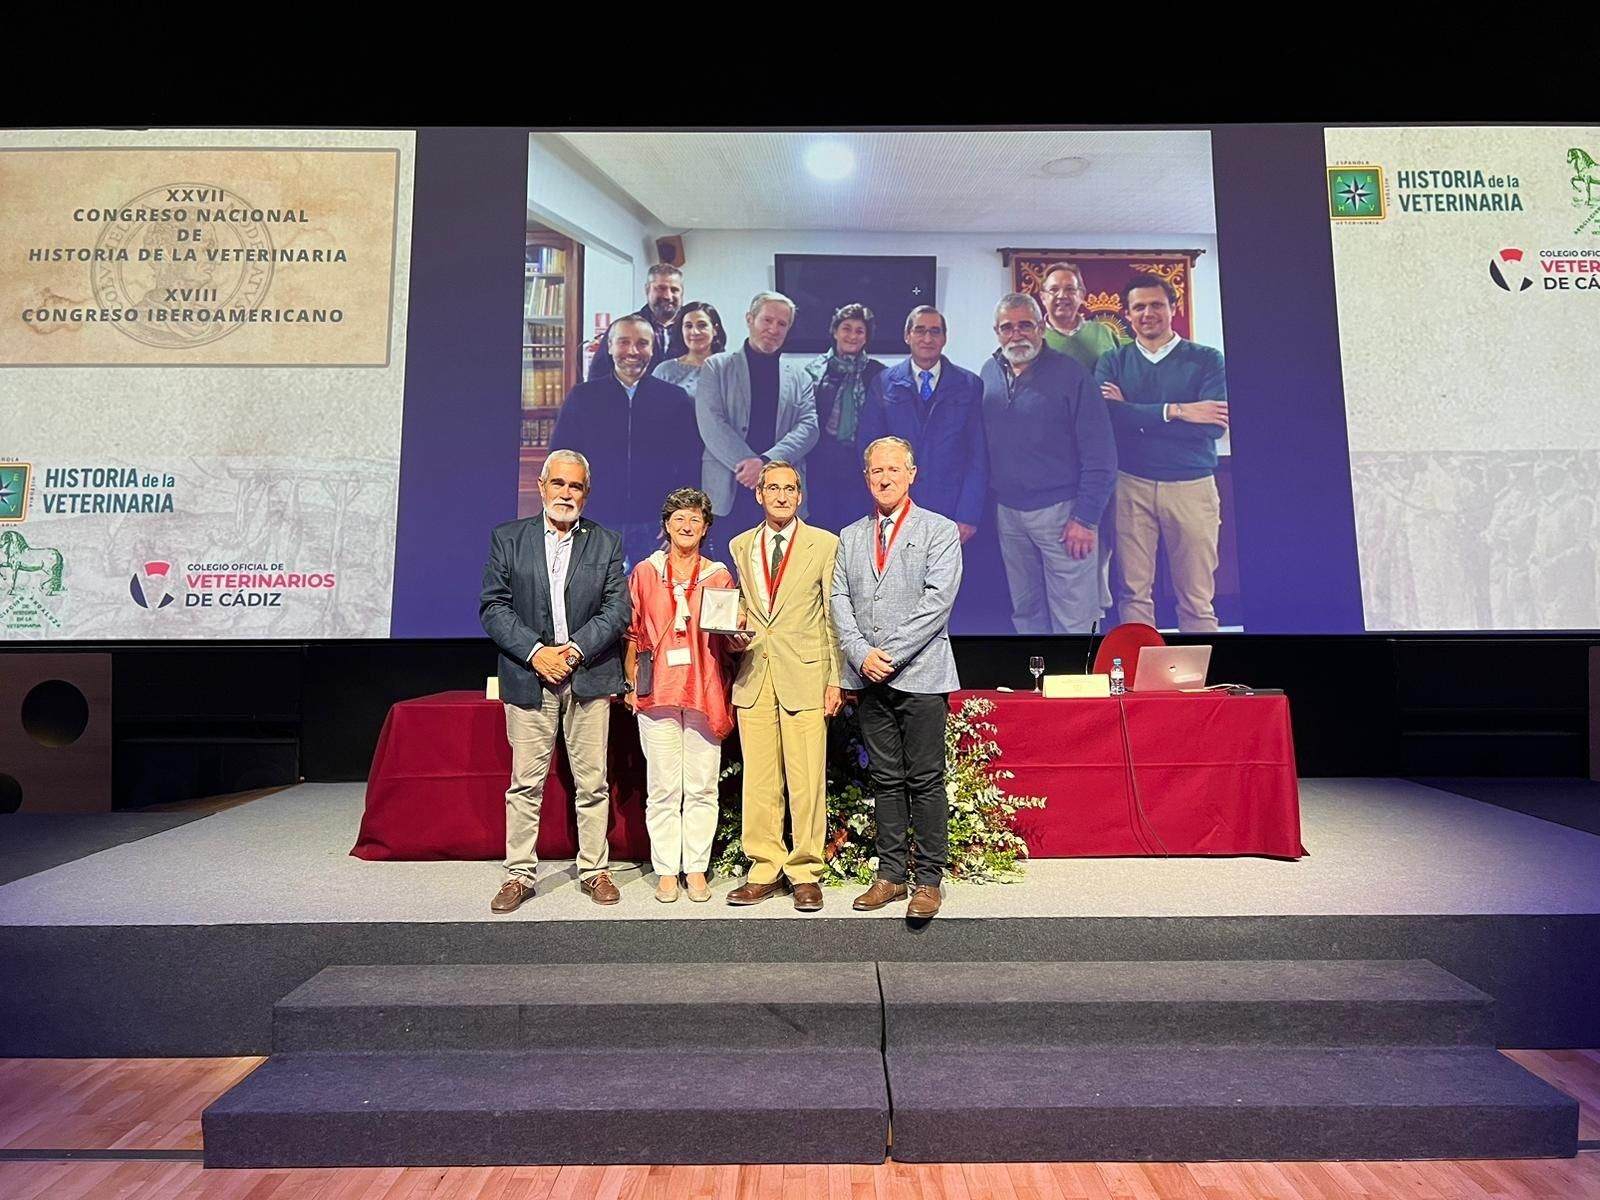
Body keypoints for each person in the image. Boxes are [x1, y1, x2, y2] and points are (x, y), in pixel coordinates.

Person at [479, 449, 631, 913]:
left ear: (587, 492)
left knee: (593, 784)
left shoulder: (606, 542)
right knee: (525, 784)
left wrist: (576, 649)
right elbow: (493, 607)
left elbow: (617, 610)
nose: (566, 493)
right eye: (559, 484)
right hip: (529, 676)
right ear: (541, 486)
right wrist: (536, 652)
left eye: (576, 486)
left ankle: (595, 870)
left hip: (588, 676)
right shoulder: (508, 538)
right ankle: (519, 874)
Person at [830, 437, 962, 919]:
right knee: (885, 779)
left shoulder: (939, 530)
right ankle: (889, 876)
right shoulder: (850, 535)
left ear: (911, 474)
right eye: (876, 471)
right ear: (866, 478)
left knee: (925, 779)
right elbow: (839, 600)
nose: (884, 478)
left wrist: (890, 654)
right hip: (869, 677)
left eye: (893, 469)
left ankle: (928, 880)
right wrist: (861, 654)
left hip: (922, 674)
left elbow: (937, 601)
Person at [723, 461, 844, 912]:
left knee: (807, 780)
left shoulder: (824, 544)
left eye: (789, 489)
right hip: (755, 675)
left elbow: (833, 615)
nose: (780, 496)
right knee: (759, 781)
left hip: (806, 675)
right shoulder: (740, 545)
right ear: (759, 495)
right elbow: (741, 610)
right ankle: (764, 868)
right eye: (772, 488)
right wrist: (731, 635)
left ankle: (805, 870)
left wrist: (835, 679)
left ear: (799, 495)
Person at [1095, 274, 1228, 632]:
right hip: (1131, 485)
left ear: (1173, 308)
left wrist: (1134, 411)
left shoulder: (1206, 360)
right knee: (1133, 592)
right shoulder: (1113, 361)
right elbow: (1108, 418)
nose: (1148, 313)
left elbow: (1213, 427)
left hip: (1192, 488)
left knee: (1197, 598)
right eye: (1139, 307)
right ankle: (1139, 668)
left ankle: (1200, 669)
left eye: (1156, 305)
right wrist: (1178, 410)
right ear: (1127, 314)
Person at [623, 487, 736, 904]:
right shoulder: (645, 572)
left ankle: (697, 868)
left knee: (703, 787)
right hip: (658, 692)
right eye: (679, 518)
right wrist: (631, 684)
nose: (687, 526)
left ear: (705, 528)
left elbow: (728, 639)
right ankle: (667, 870)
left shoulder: (719, 576)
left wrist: (739, 634)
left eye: (695, 520)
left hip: (704, 691)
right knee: (663, 788)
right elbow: (632, 633)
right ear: (666, 525)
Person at [980, 293, 1117, 634]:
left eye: (1025, 325)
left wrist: (1085, 518)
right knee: (1026, 612)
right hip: (1009, 514)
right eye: (1007, 327)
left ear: (1041, 327)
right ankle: (1037, 670)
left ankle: (1078, 672)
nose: (1016, 334)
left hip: (1063, 514)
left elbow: (1100, 453)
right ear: (997, 332)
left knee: (1075, 617)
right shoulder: (988, 372)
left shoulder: (1072, 375)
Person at [549, 315, 701, 568]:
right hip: (595, 520)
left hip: (655, 524)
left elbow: (690, 462)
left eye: (642, 343)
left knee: (655, 592)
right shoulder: (583, 397)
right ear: (609, 347)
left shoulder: (675, 399)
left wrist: (681, 514)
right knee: (593, 591)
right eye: (623, 342)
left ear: (653, 349)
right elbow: (562, 459)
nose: (632, 351)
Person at [695, 292, 819, 543]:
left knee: (779, 565)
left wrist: (766, 463)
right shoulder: (716, 367)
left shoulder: (801, 376)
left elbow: (809, 427)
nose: (774, 329)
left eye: (782, 324)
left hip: (780, 490)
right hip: (729, 489)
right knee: (727, 565)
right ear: (750, 319)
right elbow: (711, 423)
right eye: (767, 320)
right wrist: (748, 465)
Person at [857, 305, 988, 543]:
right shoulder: (883, 383)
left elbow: (977, 456)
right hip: (899, 504)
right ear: (907, 336)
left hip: (951, 509)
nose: (927, 338)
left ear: (944, 338)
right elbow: (870, 450)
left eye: (935, 331)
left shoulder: (969, 385)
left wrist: (968, 514)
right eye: (920, 330)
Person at [802, 303, 886, 532]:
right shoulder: (814, 371)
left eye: (860, 331)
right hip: (821, 463)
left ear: (867, 337)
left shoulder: (878, 374)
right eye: (846, 328)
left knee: (858, 529)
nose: (852, 335)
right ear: (835, 331)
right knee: (821, 528)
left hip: (860, 464)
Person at [587, 262, 683, 380]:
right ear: (647, 290)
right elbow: (598, 376)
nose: (668, 296)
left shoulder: (692, 330)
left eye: (674, 290)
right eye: (661, 288)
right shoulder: (622, 328)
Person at [1039, 261, 1123, 369]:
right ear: (1043, 297)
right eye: (1054, 290)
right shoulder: (1034, 336)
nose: (1062, 295)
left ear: (1081, 295)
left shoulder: (1104, 333)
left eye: (1070, 289)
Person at [652, 301, 727, 399]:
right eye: (688, 326)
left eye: (702, 325)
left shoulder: (727, 370)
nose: (694, 332)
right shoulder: (664, 370)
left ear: (715, 330)